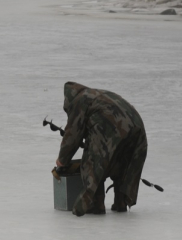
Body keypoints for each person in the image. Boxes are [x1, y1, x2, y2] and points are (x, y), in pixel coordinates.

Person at [55, 82, 147, 216]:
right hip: (136, 125)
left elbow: (72, 135)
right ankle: (120, 202)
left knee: (93, 162)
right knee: (122, 162)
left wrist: (62, 160)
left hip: (112, 125)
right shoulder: (96, 95)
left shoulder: (79, 101)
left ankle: (96, 204)